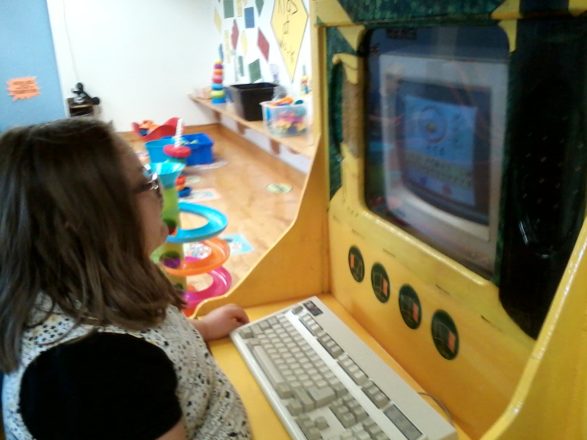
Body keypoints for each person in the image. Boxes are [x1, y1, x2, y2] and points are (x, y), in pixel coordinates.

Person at [0, 118, 251, 440]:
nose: (160, 193)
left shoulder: (93, 288)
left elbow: (152, 335)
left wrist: (200, 329)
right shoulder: (91, 372)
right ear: (82, 222)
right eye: (147, 183)